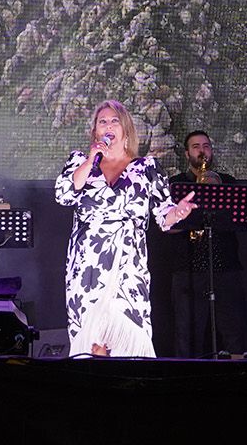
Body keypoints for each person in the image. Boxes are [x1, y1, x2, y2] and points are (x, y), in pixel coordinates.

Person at [53, 100, 196, 357]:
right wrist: (91, 159)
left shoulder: (146, 168)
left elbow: (164, 216)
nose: (108, 126)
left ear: (126, 129)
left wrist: (179, 212)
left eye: (114, 121)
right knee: (91, 341)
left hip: (129, 263)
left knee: (130, 340)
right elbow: (63, 195)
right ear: (95, 131)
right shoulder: (80, 162)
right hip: (89, 262)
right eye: (102, 122)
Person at [162, 130, 246, 357]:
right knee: (187, 334)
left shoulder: (227, 182)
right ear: (187, 153)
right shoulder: (176, 184)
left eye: (206, 146)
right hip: (187, 269)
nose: (202, 151)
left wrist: (216, 188)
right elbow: (167, 227)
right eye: (196, 146)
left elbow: (238, 221)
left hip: (225, 267)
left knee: (235, 331)